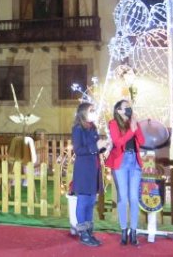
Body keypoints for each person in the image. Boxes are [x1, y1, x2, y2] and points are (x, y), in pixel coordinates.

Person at [105, 99, 145, 245]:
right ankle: (123, 230)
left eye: (130, 107)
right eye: (125, 107)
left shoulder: (133, 123)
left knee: (134, 198)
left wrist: (136, 126)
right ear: (118, 110)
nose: (129, 109)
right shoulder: (113, 123)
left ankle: (133, 231)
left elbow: (142, 140)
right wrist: (131, 131)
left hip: (134, 161)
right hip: (121, 162)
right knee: (123, 197)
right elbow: (118, 142)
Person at [72, 102, 109, 247]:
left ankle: (89, 231)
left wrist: (103, 147)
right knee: (83, 202)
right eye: (91, 110)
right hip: (83, 171)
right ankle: (83, 234)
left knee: (90, 202)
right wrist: (96, 147)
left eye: (94, 110)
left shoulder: (93, 128)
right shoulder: (77, 129)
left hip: (94, 169)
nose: (94, 112)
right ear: (83, 113)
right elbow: (79, 150)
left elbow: (95, 148)